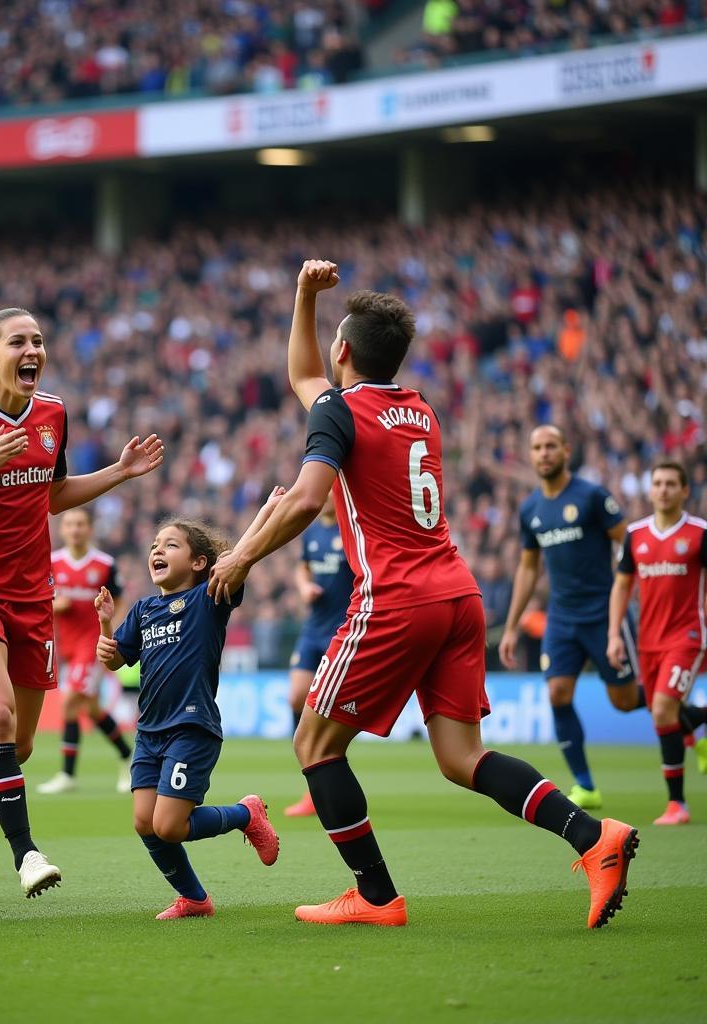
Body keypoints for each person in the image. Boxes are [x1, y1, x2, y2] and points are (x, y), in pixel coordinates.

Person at [208, 260, 638, 930]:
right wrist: (304, 299)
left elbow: (306, 498)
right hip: (458, 594)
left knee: (314, 748)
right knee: (463, 759)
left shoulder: (337, 410)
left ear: (343, 350)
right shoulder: (419, 410)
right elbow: (306, 380)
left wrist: (241, 554)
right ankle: (594, 838)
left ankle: (377, 897)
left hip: (396, 598)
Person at [0, 307, 164, 898]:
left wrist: (120, 472)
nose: (33, 350)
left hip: (32, 594)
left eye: (39, 341)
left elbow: (53, 496)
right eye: (19, 341)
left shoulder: (52, 413)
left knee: (18, 746)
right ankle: (26, 854)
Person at [95, 509, 282, 920]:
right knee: (145, 822)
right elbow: (115, 662)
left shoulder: (209, 597)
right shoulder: (144, 610)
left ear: (199, 562)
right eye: (154, 546)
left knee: (169, 827)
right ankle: (195, 899)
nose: (157, 550)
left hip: (191, 727)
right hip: (149, 731)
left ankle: (246, 813)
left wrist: (267, 512)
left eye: (170, 545)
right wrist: (106, 633)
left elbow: (241, 557)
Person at [498, 424, 644, 809]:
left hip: (602, 614)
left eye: (550, 446)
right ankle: (585, 785)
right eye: (536, 447)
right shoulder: (531, 508)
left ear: (565, 451)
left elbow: (628, 545)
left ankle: (681, 712)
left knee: (625, 701)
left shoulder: (591, 496)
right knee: (557, 692)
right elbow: (529, 568)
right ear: (530, 456)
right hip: (562, 617)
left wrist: (630, 590)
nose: (543, 453)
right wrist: (511, 627)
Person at [607, 460, 707, 825]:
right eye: (658, 483)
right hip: (648, 641)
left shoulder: (699, 533)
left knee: (663, 709)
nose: (663, 489)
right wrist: (614, 633)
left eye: (670, 484)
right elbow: (621, 585)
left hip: (687, 637)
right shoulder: (636, 534)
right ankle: (698, 720)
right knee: (660, 712)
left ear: (684, 491)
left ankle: (677, 805)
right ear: (650, 490)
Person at [38, 507, 133, 795]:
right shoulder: (52, 562)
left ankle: (67, 774)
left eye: (80, 524)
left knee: (69, 703)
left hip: (91, 646)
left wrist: (113, 637)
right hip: (65, 645)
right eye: (69, 524)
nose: (75, 529)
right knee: (90, 708)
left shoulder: (104, 564)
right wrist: (57, 606)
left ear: (90, 529)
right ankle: (128, 757)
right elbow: (39, 599)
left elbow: (120, 602)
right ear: (62, 529)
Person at [284, 493, 354, 817]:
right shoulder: (312, 532)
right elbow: (302, 568)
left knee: (325, 711)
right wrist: (304, 587)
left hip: (341, 630)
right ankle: (312, 770)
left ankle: (320, 781)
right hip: (313, 628)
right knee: (296, 696)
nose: (324, 496)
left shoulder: (351, 529)